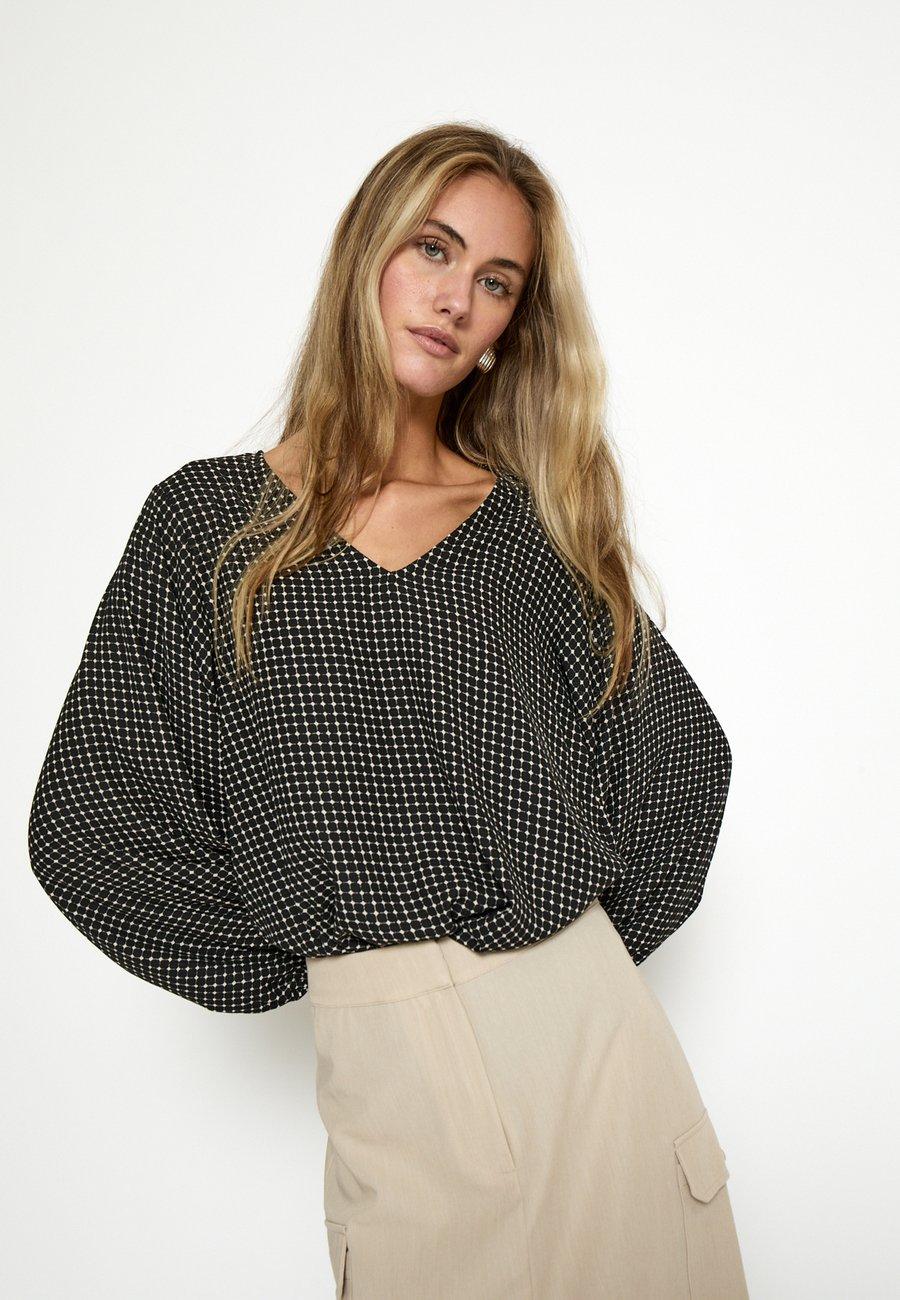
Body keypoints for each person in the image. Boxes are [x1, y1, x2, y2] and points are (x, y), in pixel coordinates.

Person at [28, 122, 749, 1298]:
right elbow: (88, 823)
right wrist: (311, 953)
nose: (457, 299)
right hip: (387, 1071)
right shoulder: (203, 528)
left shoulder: (524, 531)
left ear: (510, 329)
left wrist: (559, 953)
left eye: (497, 282)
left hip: (592, 1049)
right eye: (435, 249)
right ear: (367, 251)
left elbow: (679, 764)